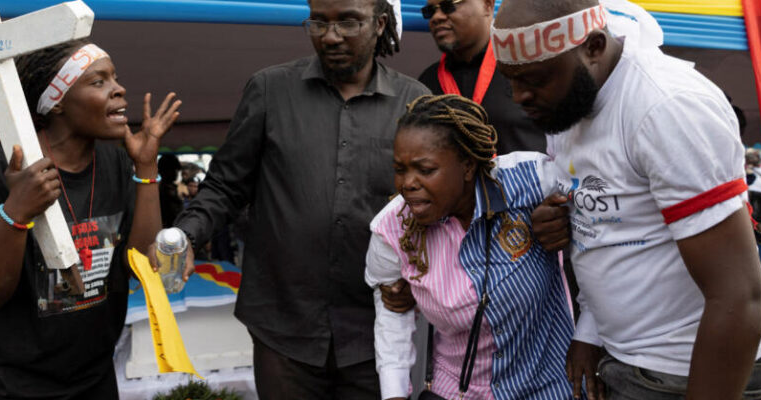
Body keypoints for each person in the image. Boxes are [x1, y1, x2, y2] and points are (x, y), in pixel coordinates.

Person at [492, 0, 761, 398]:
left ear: (594, 46)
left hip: (692, 363)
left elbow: (739, 296)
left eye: (535, 79)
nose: (519, 96)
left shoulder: (666, 107)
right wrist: (590, 330)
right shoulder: (570, 99)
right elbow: (614, 222)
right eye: (511, 79)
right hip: (634, 355)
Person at [170, 0, 429, 395]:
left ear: (379, 25)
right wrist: (188, 234)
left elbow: (433, 208)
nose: (330, 35)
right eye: (318, 22)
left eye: (347, 22)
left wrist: (420, 277)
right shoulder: (269, 90)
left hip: (377, 330)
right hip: (283, 327)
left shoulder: (415, 101)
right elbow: (225, 185)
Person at [0, 39, 180, 399]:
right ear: (57, 101)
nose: (119, 89)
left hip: (92, 376)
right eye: (99, 82)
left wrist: (145, 167)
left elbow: (141, 265)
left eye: (116, 79)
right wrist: (17, 212)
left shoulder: (116, 163)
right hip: (13, 383)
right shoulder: (6, 164)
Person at [366, 95, 574, 400]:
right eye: (400, 169)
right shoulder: (392, 229)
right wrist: (395, 393)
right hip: (460, 391)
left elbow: (598, 211)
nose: (407, 183)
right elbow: (392, 317)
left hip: (550, 385)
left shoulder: (531, 181)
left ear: (466, 166)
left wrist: (568, 221)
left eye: (425, 169)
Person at [416, 0, 545, 155]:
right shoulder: (425, 83)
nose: (436, 17)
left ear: (487, 5)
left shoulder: (530, 67)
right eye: (430, 11)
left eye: (448, 6)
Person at [745, 149, 761, 224]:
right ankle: (758, 218)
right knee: (759, 205)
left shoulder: (748, 168)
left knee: (757, 205)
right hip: (757, 190)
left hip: (754, 190)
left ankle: (756, 218)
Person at [158, 154, 184, 228]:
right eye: (172, 169)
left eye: (176, 170)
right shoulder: (162, 190)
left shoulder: (172, 188)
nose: (175, 173)